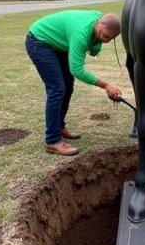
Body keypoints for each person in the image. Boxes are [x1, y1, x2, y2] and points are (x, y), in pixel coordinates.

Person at [25, 10, 123, 156]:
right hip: (39, 41)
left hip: (58, 44)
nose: (106, 40)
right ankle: (52, 141)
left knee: (68, 86)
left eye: (111, 39)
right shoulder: (81, 33)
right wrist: (105, 85)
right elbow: (77, 70)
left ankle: (59, 126)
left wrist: (97, 44)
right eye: (105, 36)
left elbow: (95, 43)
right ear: (100, 24)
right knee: (57, 89)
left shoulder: (97, 19)